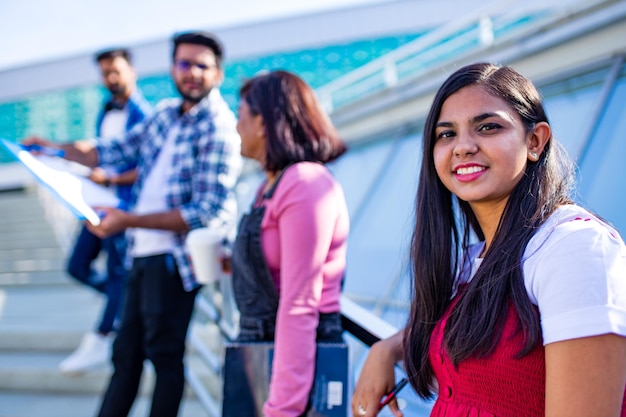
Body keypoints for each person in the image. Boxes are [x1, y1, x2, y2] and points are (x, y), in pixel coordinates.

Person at [351, 62, 626, 417]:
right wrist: (387, 349)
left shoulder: (573, 247)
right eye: (446, 134)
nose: (463, 147)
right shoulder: (476, 259)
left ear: (534, 141)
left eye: (488, 127)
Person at [24, 31, 242, 417]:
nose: (191, 72)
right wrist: (52, 148)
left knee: (164, 357)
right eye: (183, 63)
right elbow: (112, 151)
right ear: (173, 67)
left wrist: (129, 221)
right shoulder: (164, 114)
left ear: (218, 73)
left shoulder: (220, 126)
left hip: (174, 261)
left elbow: (205, 212)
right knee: (125, 353)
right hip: (140, 254)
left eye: (201, 65)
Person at [231, 69, 349, 416]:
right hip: (264, 348)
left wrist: (283, 408)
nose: (237, 127)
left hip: (295, 361)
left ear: (263, 123)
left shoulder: (305, 182)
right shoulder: (270, 186)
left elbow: (300, 302)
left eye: (240, 116)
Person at [59, 47, 152, 374]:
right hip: (96, 201)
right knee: (77, 266)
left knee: (117, 270)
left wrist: (111, 176)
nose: (111, 78)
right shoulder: (104, 110)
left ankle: (103, 333)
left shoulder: (145, 115)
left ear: (131, 71)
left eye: (116, 70)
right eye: (105, 72)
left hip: (124, 207)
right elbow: (100, 152)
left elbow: (147, 165)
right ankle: (126, 303)